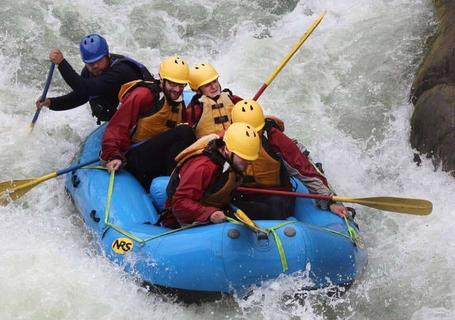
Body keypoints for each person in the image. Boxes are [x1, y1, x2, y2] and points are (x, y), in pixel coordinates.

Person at [230, 99, 348, 218]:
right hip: (242, 195)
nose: (252, 136)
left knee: (275, 207)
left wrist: (329, 201)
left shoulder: (276, 139)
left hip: (275, 195)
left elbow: (303, 170)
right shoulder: (228, 141)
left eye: (257, 131)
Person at [101, 55, 195, 190]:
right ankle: (174, 189)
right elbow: (117, 127)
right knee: (184, 132)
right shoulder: (143, 95)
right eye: (172, 84)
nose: (177, 89)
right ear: (162, 80)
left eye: (181, 85)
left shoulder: (178, 102)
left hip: (157, 157)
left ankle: (182, 183)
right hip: (135, 158)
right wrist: (113, 154)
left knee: (188, 133)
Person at [36, 34, 153, 124]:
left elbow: (85, 88)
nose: (95, 66)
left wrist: (62, 63)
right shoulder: (88, 72)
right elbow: (80, 97)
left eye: (98, 61)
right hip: (124, 118)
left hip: (147, 115)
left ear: (108, 56)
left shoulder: (120, 71)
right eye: (90, 63)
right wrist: (51, 103)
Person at [161, 122, 261, 228]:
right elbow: (179, 204)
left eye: (250, 159)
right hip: (184, 221)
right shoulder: (203, 167)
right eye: (244, 158)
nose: (249, 163)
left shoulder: (230, 161)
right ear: (227, 150)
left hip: (216, 208)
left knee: (266, 207)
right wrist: (210, 214)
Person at [186, 63, 243, 138]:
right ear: (197, 90)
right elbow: (186, 130)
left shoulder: (231, 98)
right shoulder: (195, 108)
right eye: (207, 85)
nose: (214, 87)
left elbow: (248, 110)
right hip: (209, 147)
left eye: (215, 81)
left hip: (235, 140)